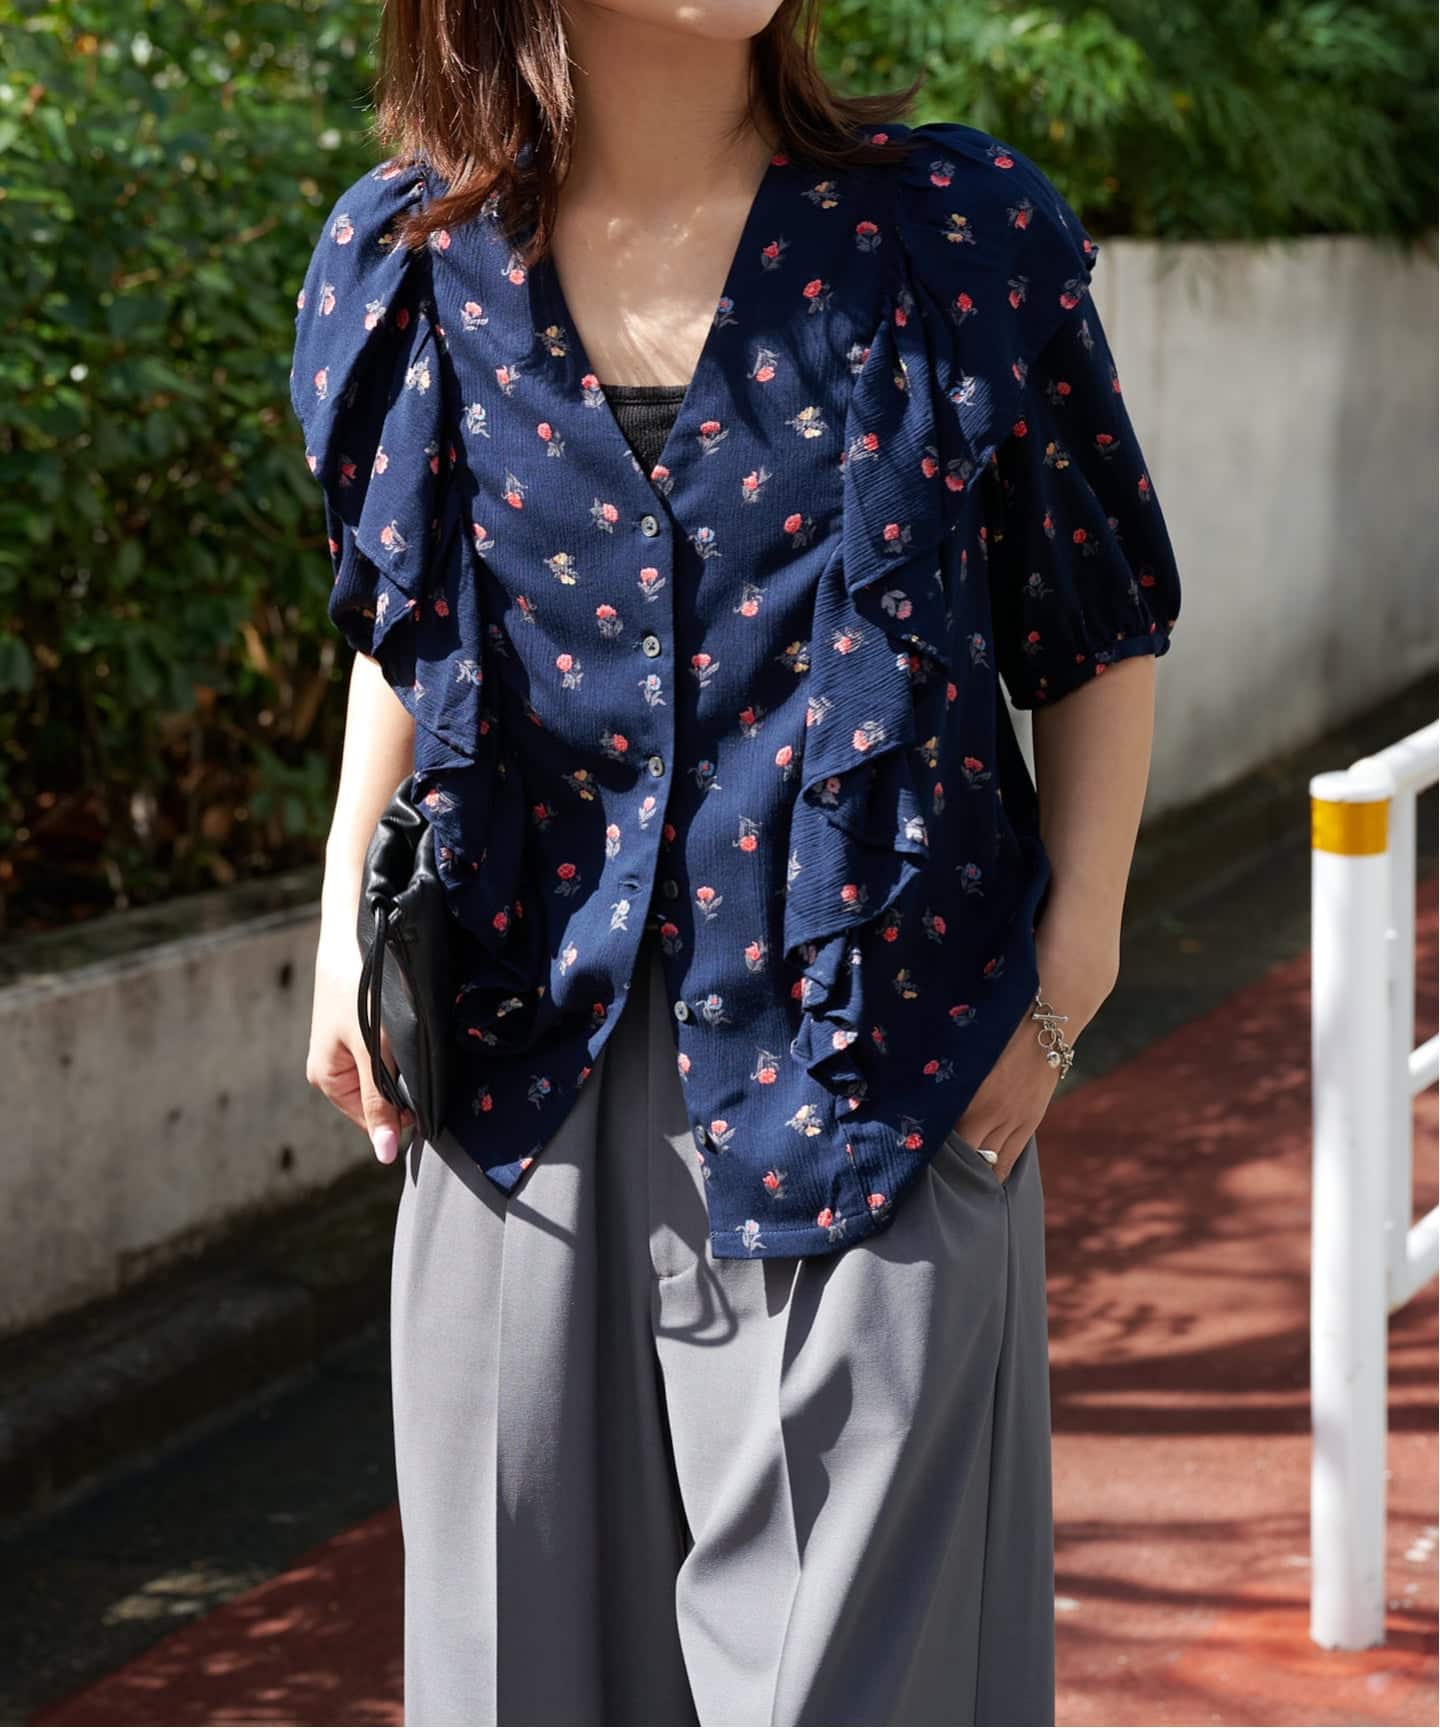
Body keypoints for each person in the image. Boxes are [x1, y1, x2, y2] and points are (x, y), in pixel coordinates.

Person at [292, 1, 1182, 1722]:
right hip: (512, 1082)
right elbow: (409, 626)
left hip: (879, 1073)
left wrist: (1073, 972)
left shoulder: (957, 232)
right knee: (513, 1676)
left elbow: (1094, 617)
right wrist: (342, 924)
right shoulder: (410, 260)